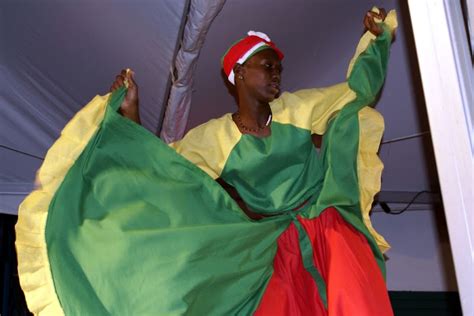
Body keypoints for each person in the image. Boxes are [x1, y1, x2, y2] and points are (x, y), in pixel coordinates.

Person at [16, 7, 397, 316]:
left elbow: (354, 93)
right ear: (239, 75)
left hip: (325, 224)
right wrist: (130, 111)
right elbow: (161, 176)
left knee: (355, 298)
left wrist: (376, 41)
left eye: (278, 67)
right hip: (271, 250)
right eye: (267, 66)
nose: (276, 73)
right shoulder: (213, 139)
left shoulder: (298, 109)